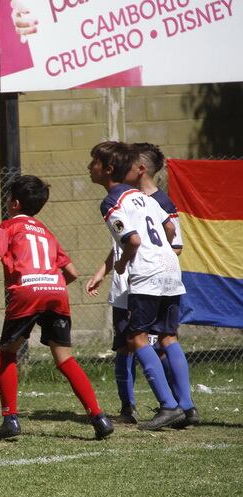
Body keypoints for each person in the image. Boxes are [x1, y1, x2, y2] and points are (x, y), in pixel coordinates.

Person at [0, 174, 114, 440]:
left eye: (8, 197)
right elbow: (73, 273)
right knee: (64, 358)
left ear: (15, 203)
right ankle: (99, 417)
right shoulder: (45, 231)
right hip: (56, 292)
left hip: (27, 293)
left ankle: (10, 419)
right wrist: (50, 284)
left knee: (7, 352)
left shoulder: (7, 226)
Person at [86, 142, 198, 428]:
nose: (89, 167)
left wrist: (124, 262)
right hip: (171, 270)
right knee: (168, 336)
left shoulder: (111, 202)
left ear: (108, 169)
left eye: (94, 162)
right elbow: (170, 229)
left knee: (135, 338)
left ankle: (167, 405)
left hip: (146, 273)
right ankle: (186, 406)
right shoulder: (147, 198)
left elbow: (132, 240)